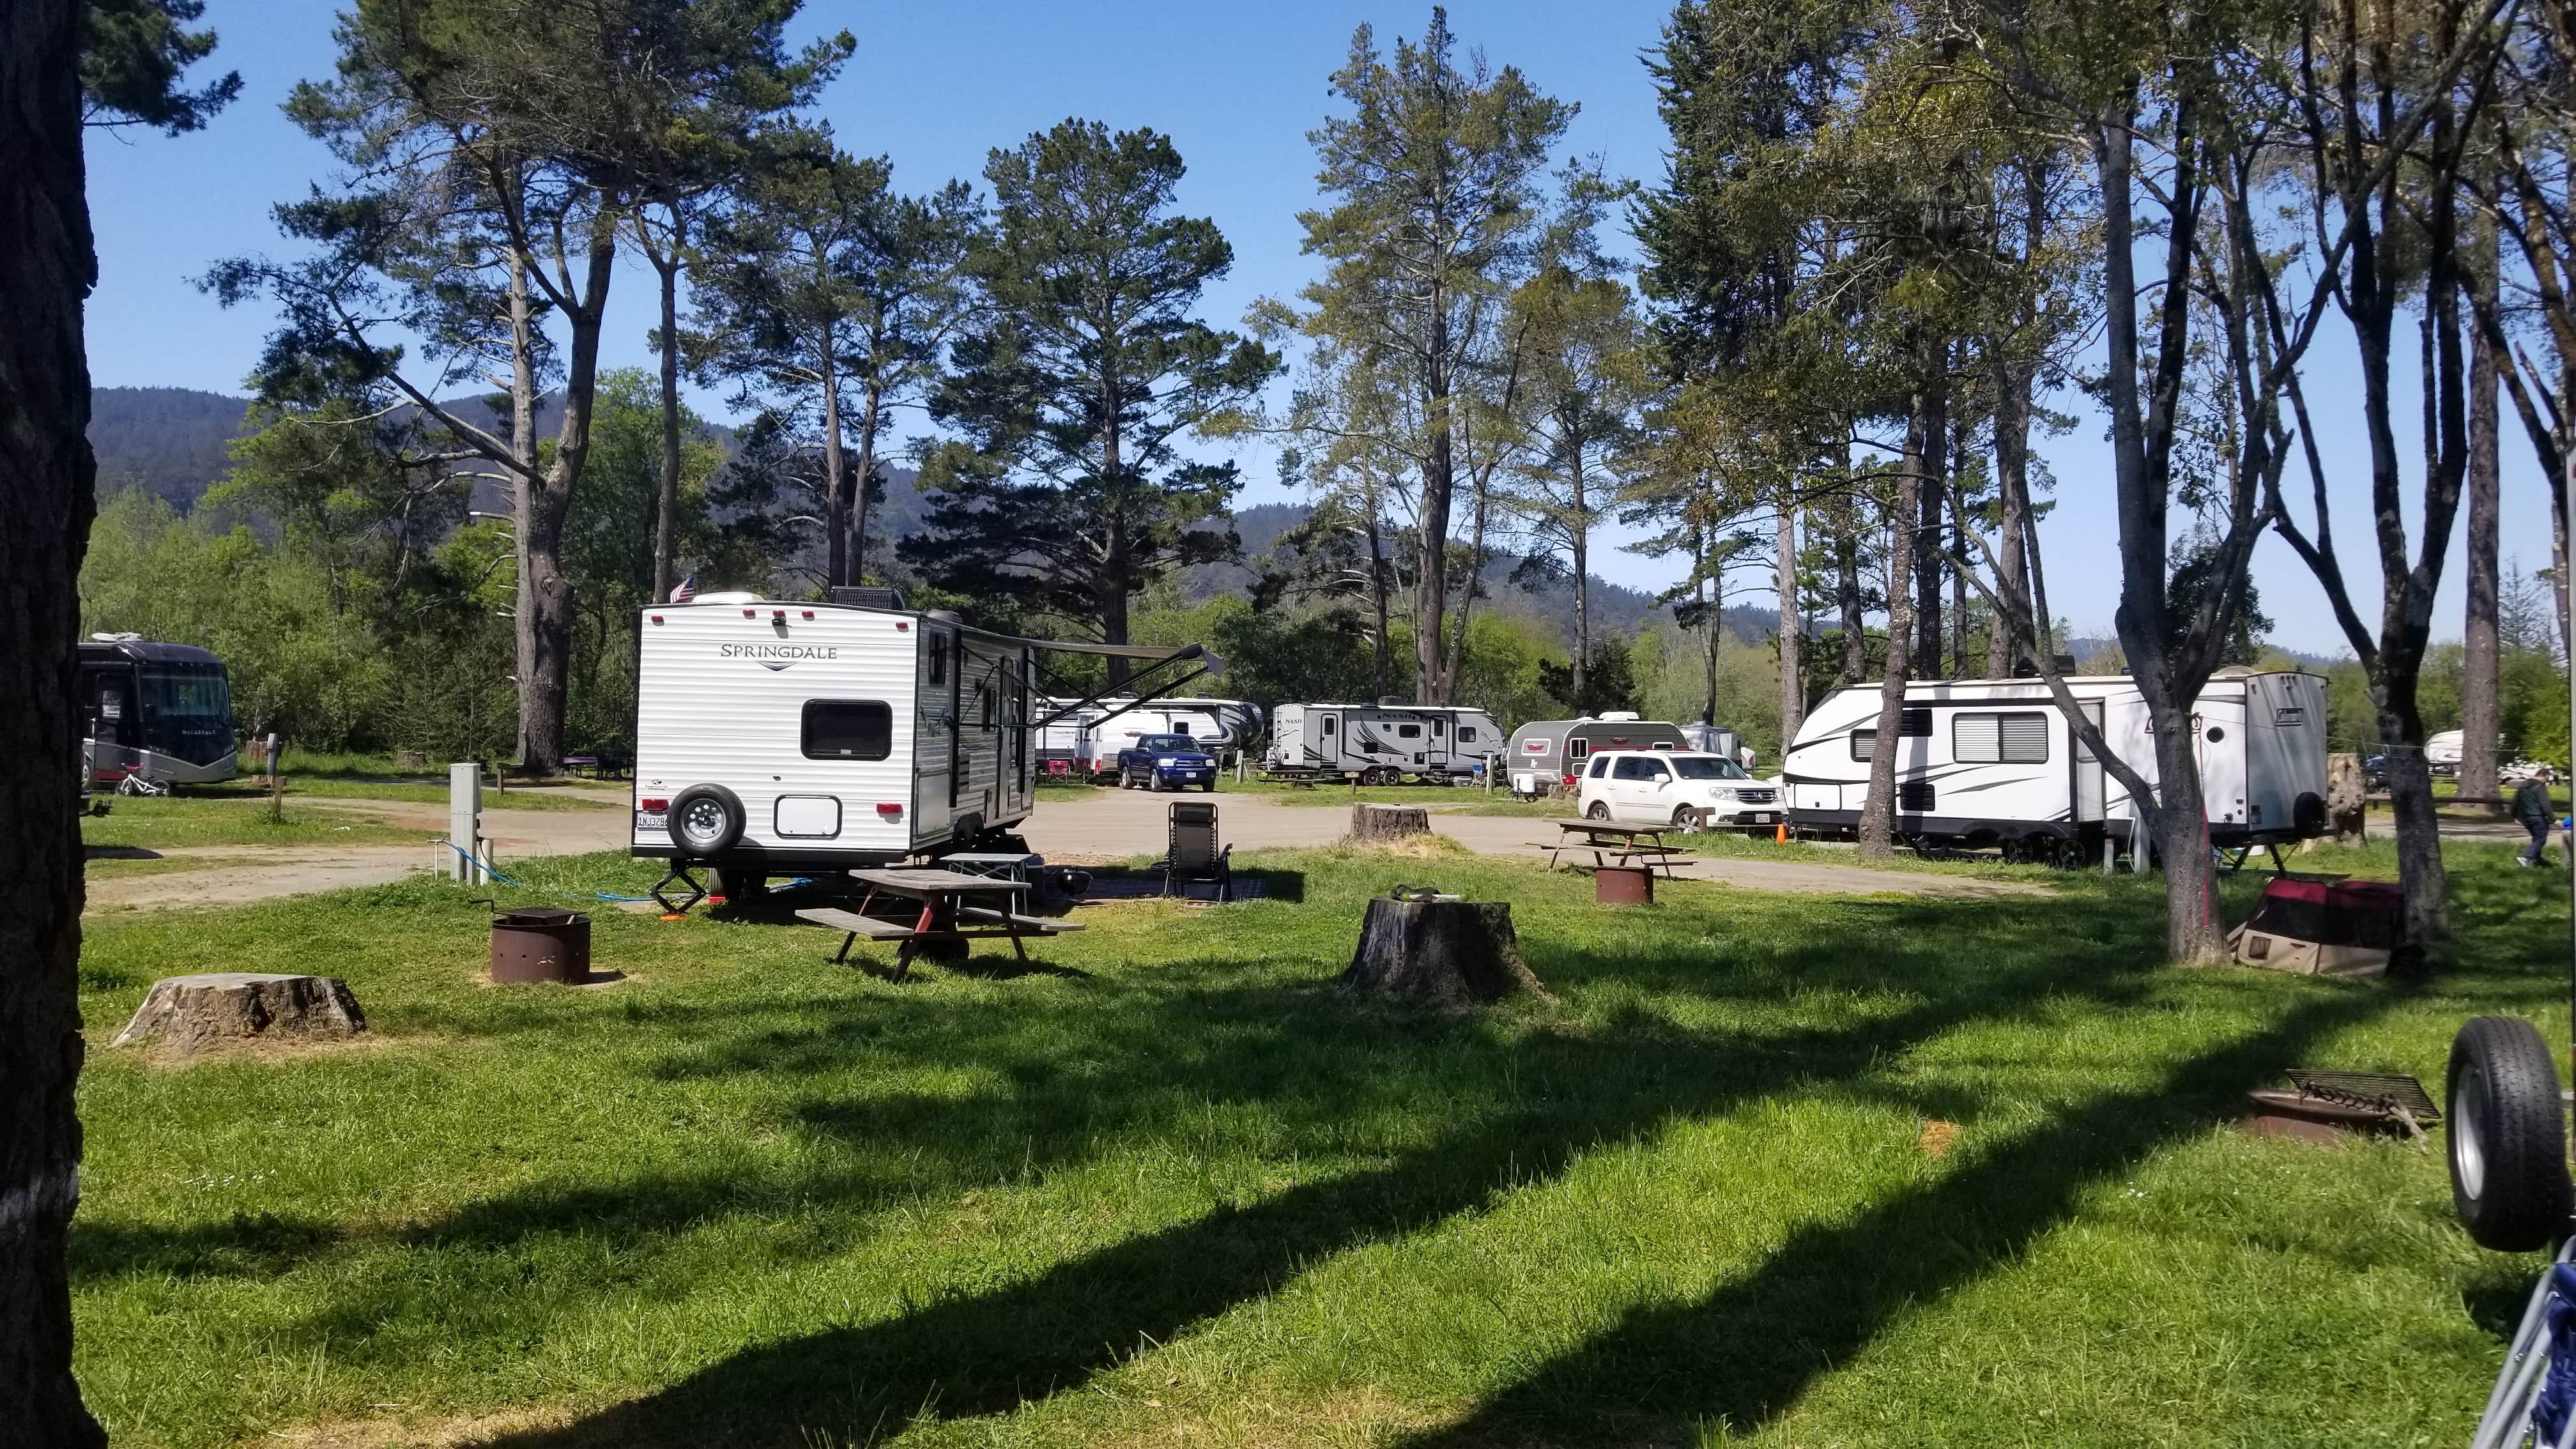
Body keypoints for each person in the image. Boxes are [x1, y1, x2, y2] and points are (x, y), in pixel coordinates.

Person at [2514, 765, 2558, 868]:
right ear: (2542, 776)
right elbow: (2545, 805)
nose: (2546, 781)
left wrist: (2515, 816)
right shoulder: (2540, 787)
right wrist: (2554, 819)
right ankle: (2526, 858)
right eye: (2546, 779)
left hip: (2526, 818)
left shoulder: (2523, 786)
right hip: (2538, 817)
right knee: (2541, 838)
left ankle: (2536, 861)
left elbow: (2515, 801)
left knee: (2536, 838)